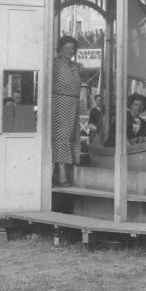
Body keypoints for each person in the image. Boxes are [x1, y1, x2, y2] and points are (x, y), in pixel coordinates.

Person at [51, 36, 82, 187]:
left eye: (72, 49)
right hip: (59, 102)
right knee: (61, 136)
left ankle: (70, 172)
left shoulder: (76, 66)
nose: (70, 51)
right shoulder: (55, 65)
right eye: (66, 48)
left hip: (74, 103)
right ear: (60, 49)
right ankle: (61, 175)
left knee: (72, 136)